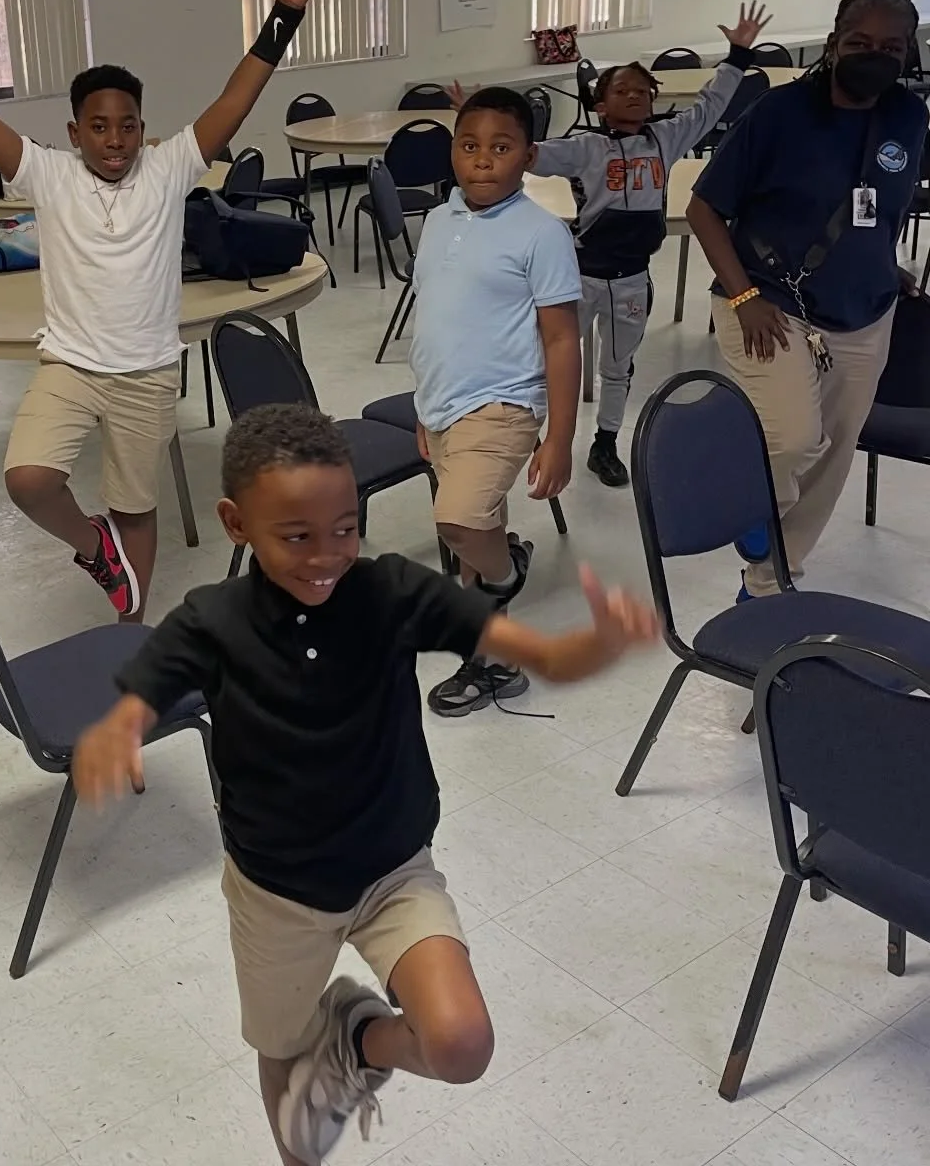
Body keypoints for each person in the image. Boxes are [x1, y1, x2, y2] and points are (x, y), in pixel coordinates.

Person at [72, 402, 660, 1166]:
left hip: (393, 872)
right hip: (277, 888)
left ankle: (355, 1035)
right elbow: (139, 699)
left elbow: (539, 656)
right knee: (286, 1073)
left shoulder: (390, 591)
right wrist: (116, 733)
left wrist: (599, 643)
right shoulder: (209, 622)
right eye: (297, 536)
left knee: (461, 1044)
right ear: (235, 522)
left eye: (345, 527)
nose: (327, 554)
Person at [0, 0, 322, 623]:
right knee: (29, 478)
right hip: (71, 365)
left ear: (142, 128)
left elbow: (235, 100)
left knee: (135, 505)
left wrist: (287, 13)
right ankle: (94, 546)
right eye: (98, 127)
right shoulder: (49, 176)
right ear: (73, 132)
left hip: (147, 371)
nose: (114, 140)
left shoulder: (170, 166)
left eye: (126, 126)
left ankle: (130, 624)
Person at [686, 0, 928, 599]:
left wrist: (879, 259)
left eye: (892, 49)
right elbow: (704, 209)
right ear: (833, 41)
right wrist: (742, 297)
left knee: (835, 452)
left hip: (865, 309)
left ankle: (769, 584)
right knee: (794, 437)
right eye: (860, 44)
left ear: (908, 51)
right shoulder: (781, 113)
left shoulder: (908, 115)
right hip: (766, 298)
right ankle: (748, 506)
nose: (875, 58)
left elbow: (880, 201)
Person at [507, 3, 773, 487]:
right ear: (600, 105)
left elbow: (710, 107)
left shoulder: (666, 139)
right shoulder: (585, 148)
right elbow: (528, 156)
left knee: (618, 366)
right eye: (621, 90)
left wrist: (737, 55)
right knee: (550, 360)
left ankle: (605, 443)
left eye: (641, 90)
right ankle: (540, 435)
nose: (633, 96)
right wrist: (487, 132)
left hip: (631, 281)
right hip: (580, 278)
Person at [407, 87, 582, 716]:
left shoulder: (541, 234)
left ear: (529, 156)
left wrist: (559, 437)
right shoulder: (437, 221)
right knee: (472, 537)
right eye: (469, 145)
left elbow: (561, 340)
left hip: (503, 404)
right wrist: (426, 411)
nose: (482, 160)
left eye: (501, 148)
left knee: (458, 523)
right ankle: (495, 665)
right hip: (442, 405)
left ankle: (508, 571)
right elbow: (435, 319)